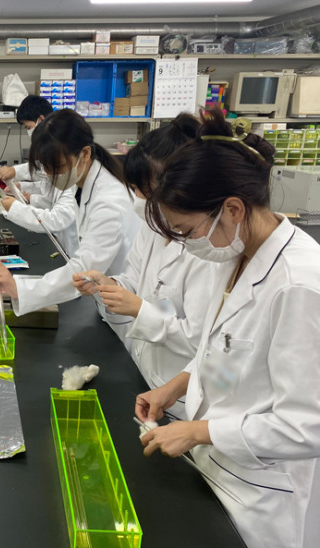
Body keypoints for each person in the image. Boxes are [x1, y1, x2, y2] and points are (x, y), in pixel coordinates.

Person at [136, 109, 320, 548]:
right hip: (215, 466)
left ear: (233, 209)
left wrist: (199, 431)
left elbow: (308, 425)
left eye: (187, 230)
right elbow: (230, 357)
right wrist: (178, 385)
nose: (187, 244)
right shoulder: (238, 254)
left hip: (258, 492)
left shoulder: (298, 285)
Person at [73, 115, 219, 416]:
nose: (138, 200)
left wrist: (139, 309)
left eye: (145, 191)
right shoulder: (153, 227)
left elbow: (198, 339)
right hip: (145, 374)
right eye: (136, 189)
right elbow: (135, 281)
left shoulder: (206, 248)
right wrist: (108, 284)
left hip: (183, 397)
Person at [0, 109, 141, 316]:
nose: (50, 175)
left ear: (85, 153)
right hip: (104, 298)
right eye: (46, 167)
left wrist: (19, 288)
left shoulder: (109, 202)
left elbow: (83, 270)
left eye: (56, 167)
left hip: (124, 311)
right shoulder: (83, 181)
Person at [0, 97, 79, 256]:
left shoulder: (66, 159)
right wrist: (25, 191)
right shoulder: (60, 163)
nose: (45, 171)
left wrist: (16, 208)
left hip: (76, 249)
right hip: (64, 245)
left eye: (28, 126)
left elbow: (58, 218)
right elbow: (50, 192)